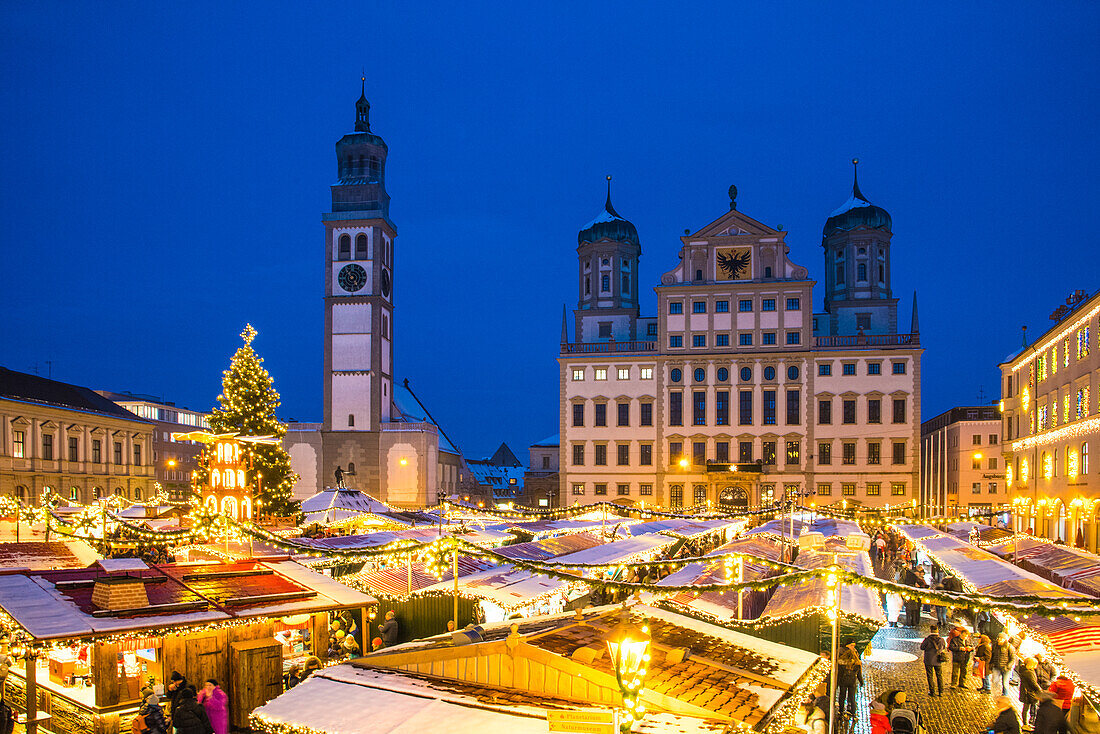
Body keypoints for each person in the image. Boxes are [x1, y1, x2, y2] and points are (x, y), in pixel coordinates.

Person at [836, 641, 864, 717]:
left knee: (842, 696)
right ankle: (852, 711)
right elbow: (859, 674)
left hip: (843, 681)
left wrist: (837, 683)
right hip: (852, 682)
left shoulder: (841, 663)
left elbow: (839, 674)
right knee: (852, 697)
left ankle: (841, 710)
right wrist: (861, 682)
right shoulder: (856, 663)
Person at [919, 624, 946, 697]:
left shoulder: (927, 639)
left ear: (930, 631)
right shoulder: (941, 640)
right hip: (938, 660)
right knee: (939, 676)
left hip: (929, 660)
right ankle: (941, 691)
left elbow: (922, 647)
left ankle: (932, 691)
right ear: (937, 630)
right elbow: (944, 647)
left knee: (930, 676)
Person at [1019, 658, 1044, 728]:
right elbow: (1033, 683)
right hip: (1028, 693)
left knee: (1026, 708)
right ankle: (1025, 724)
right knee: (1026, 709)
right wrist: (1040, 690)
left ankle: (1026, 723)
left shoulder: (1024, 670)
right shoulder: (1029, 673)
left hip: (1025, 691)